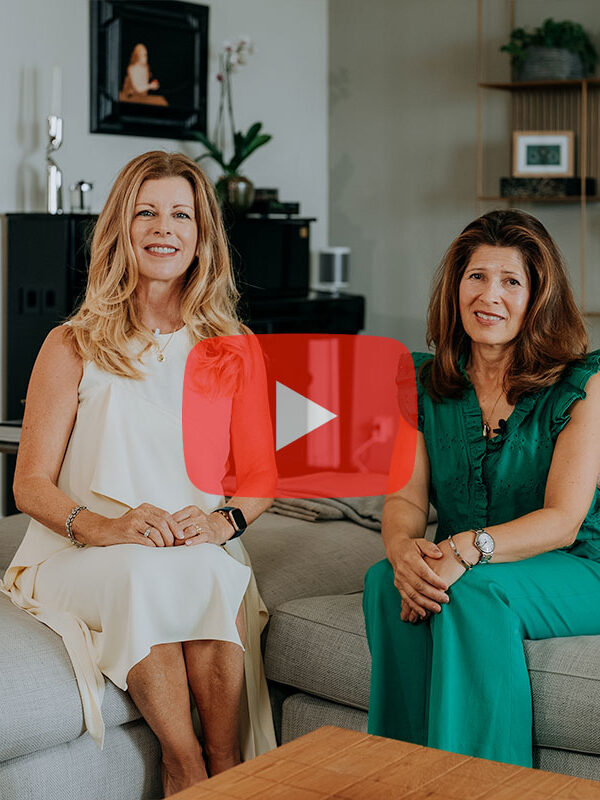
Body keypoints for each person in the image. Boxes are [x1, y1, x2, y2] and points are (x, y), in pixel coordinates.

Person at [0, 151, 277, 796]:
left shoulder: (233, 346)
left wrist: (222, 523)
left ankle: (224, 762)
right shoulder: (71, 343)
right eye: (145, 212)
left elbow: (261, 476)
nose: (163, 228)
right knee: (140, 572)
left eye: (181, 214)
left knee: (211, 571)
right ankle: (184, 764)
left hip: (187, 547)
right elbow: (30, 483)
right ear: (120, 230)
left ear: (202, 236)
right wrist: (105, 527)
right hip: (77, 551)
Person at [363, 209, 600, 768]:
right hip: (469, 560)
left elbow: (563, 520)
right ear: (456, 286)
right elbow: (405, 498)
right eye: (477, 276)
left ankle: (480, 786)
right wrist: (402, 551)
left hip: (580, 564)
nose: (489, 295)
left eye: (511, 281)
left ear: (538, 299)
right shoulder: (421, 381)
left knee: (472, 592)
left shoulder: (583, 384)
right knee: (384, 583)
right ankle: (401, 778)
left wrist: (466, 550)